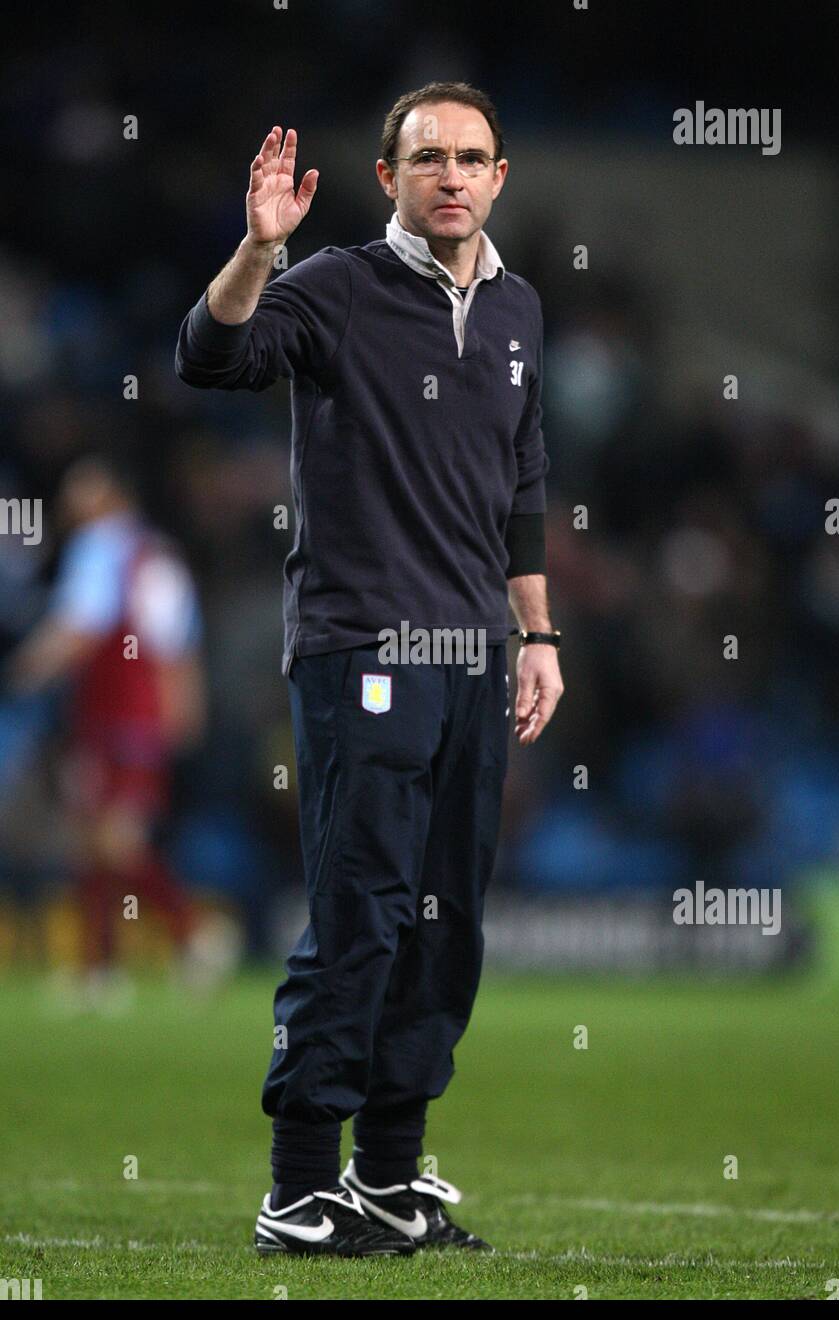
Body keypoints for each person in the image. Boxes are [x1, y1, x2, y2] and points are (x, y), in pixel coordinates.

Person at [175, 81, 564, 1258]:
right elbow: (209, 356)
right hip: (364, 650)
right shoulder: (333, 285)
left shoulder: (519, 310)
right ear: (387, 176)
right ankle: (299, 1187)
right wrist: (256, 248)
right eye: (427, 156)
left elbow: (526, 484)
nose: (451, 174)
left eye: (473, 156)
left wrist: (536, 633)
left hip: (473, 656)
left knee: (444, 924)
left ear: (500, 177)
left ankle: (390, 1180)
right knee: (363, 910)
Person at [6, 454, 211, 1003]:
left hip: (110, 712)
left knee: (110, 840)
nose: (73, 507)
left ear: (111, 497)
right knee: (97, 841)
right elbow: (177, 640)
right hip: (137, 715)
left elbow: (80, 627)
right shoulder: (157, 553)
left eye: (83, 495)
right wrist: (183, 706)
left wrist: (23, 670)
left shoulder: (98, 547)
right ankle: (102, 966)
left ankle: (189, 935)